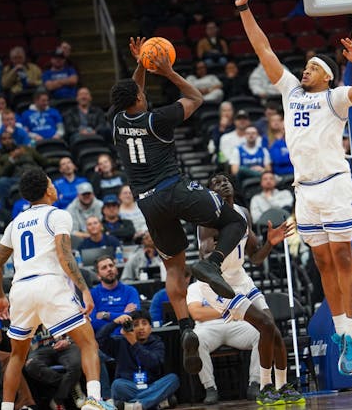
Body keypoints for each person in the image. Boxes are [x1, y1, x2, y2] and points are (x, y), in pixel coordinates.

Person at [234, 0, 352, 376]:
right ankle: (341, 330)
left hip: (335, 184)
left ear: (327, 76)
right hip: (305, 190)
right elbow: (263, 49)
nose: (305, 71)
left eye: (312, 68)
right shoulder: (291, 92)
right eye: (304, 67)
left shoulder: (335, 98)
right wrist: (244, 9)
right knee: (321, 264)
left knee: (341, 257)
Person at [109, 37, 253, 375]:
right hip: (175, 189)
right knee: (235, 222)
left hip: (148, 204)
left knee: (174, 268)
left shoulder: (116, 123)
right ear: (140, 98)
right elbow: (196, 97)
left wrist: (142, 68)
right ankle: (213, 264)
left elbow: (131, 93)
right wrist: (169, 72)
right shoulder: (156, 120)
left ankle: (187, 327)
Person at [0, 167, 114, 410]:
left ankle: (6, 408)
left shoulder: (15, 224)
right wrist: (85, 290)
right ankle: (94, 401)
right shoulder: (57, 215)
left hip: (20, 289)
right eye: (51, 182)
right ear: (47, 189)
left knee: (17, 356)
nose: (55, 186)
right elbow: (65, 256)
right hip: (49, 284)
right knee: (88, 343)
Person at [197, 174, 302, 404]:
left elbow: (255, 258)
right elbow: (205, 256)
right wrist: (224, 235)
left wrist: (269, 243)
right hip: (218, 284)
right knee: (264, 324)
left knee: (272, 329)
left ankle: (282, 385)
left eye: (225, 180)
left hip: (241, 278)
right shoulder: (207, 217)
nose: (223, 183)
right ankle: (265, 387)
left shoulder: (243, 213)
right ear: (210, 192)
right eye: (216, 182)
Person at [186, 280, 260, 404]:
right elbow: (197, 313)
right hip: (207, 328)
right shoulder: (195, 287)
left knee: (261, 334)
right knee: (195, 340)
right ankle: (210, 388)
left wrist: (209, 310)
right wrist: (228, 310)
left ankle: (255, 383)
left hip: (235, 325)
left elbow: (243, 308)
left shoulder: (233, 281)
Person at [95, 309, 179, 409]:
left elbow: (153, 363)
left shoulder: (157, 343)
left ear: (150, 328)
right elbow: (99, 339)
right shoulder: (121, 342)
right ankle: (155, 403)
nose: (141, 328)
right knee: (117, 385)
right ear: (130, 328)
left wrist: (134, 343)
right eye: (135, 325)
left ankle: (132, 406)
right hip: (130, 386)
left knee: (173, 379)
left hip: (151, 385)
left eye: (144, 324)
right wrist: (115, 322)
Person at [24, 325, 82, 410]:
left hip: (66, 344)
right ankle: (72, 384)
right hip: (38, 349)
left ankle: (57, 400)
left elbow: (79, 327)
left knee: (75, 365)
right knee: (31, 365)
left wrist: (68, 340)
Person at [90, 255, 140, 333]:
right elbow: (92, 323)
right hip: (104, 338)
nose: (109, 269)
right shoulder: (91, 294)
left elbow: (135, 316)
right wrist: (123, 315)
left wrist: (106, 315)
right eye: (104, 267)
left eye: (111, 266)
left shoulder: (130, 291)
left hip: (127, 335)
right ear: (98, 276)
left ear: (116, 270)